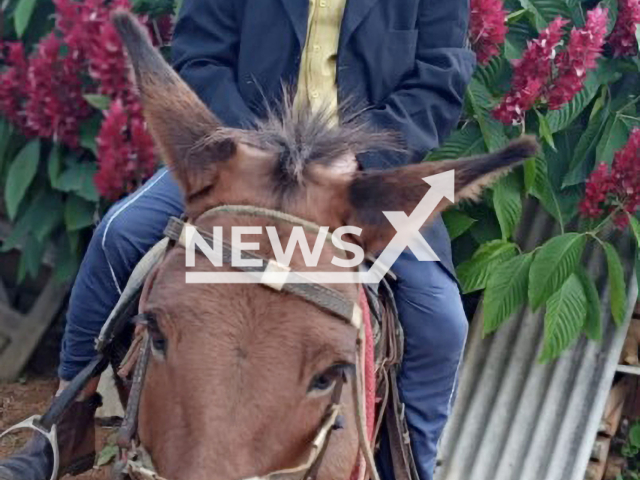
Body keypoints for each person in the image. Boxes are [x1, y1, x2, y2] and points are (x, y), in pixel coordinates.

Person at [0, 1, 476, 480]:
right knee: (117, 237)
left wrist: (360, 154)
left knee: (441, 319)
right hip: (240, 159)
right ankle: (63, 431)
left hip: (360, 181)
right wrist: (248, 146)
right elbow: (199, 53)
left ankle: (409, 468)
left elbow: (441, 77)